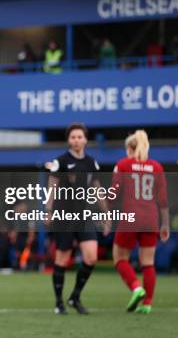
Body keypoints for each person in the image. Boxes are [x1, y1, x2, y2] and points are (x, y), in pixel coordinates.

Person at [44, 122, 110, 315]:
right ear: (68, 140)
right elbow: (52, 188)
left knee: (91, 257)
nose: (76, 140)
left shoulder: (91, 163)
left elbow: (98, 190)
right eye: (73, 137)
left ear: (86, 139)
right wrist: (48, 210)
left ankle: (75, 297)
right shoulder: (61, 161)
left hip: (84, 216)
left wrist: (106, 215)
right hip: (64, 216)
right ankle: (58, 303)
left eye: (80, 137)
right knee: (62, 260)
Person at [111, 130, 170, 314]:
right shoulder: (157, 167)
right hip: (151, 219)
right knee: (148, 263)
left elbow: (114, 194)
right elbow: (163, 199)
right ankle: (147, 303)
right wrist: (165, 224)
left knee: (120, 258)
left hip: (130, 217)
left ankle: (136, 288)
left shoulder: (123, 165)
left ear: (130, 148)